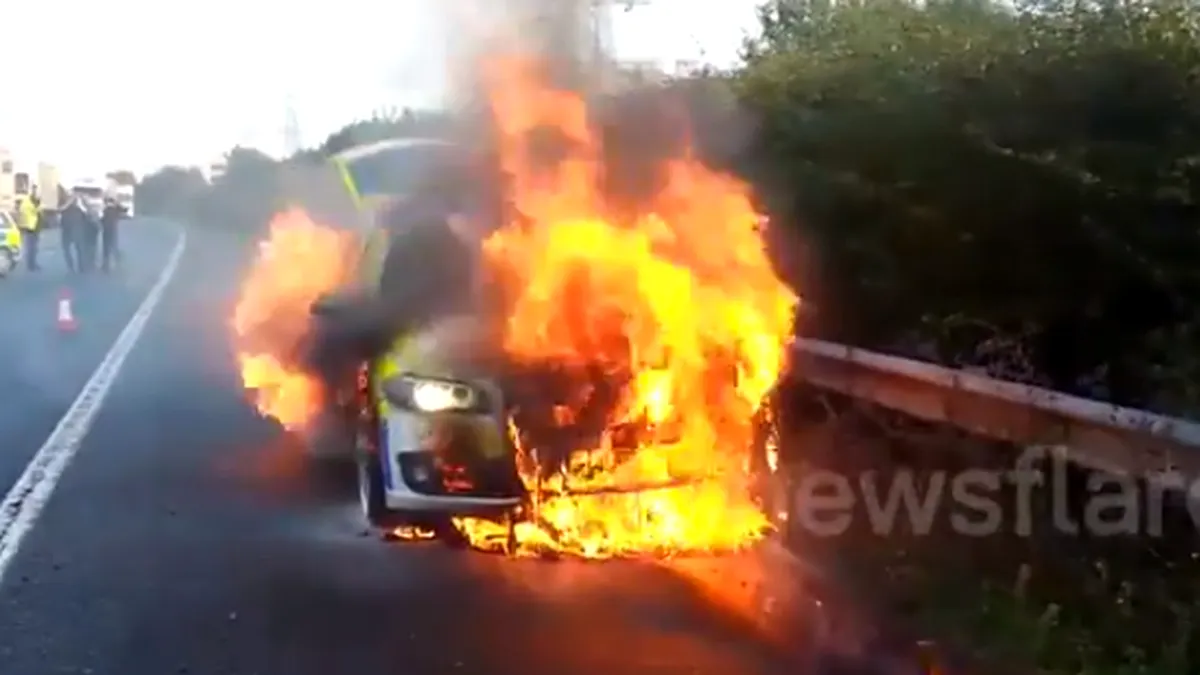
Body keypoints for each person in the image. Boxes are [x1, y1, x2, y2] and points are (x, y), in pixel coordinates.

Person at [58, 196, 87, 273]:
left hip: (75, 230)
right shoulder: (64, 202)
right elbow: (60, 209)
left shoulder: (80, 204)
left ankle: (80, 267)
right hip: (68, 230)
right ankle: (72, 267)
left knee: (79, 250)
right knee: (68, 249)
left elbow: (87, 213)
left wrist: (80, 205)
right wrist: (69, 203)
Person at [14, 192, 40, 271]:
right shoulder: (27, 208)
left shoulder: (30, 207)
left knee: (33, 248)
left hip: (33, 229)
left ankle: (32, 264)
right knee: (30, 248)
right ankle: (31, 265)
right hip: (30, 229)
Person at [100, 197, 125, 272]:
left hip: (106, 231)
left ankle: (106, 265)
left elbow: (101, 220)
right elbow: (124, 210)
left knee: (106, 248)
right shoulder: (115, 210)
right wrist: (118, 204)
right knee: (113, 246)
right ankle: (117, 261)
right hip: (113, 230)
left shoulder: (105, 210)